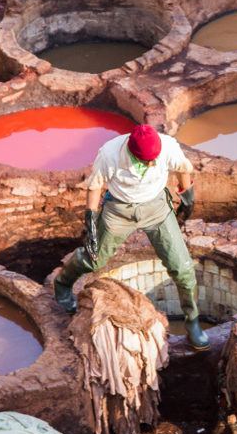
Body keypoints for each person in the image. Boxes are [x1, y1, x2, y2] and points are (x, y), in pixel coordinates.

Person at [53, 125, 209, 350]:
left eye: (154, 159)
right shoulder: (110, 154)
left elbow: (184, 168)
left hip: (156, 209)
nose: (152, 164)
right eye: (147, 161)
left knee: (183, 268)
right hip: (119, 210)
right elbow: (95, 187)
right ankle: (63, 283)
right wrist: (90, 220)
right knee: (95, 258)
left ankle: (193, 322)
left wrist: (187, 196)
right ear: (131, 152)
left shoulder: (167, 147)